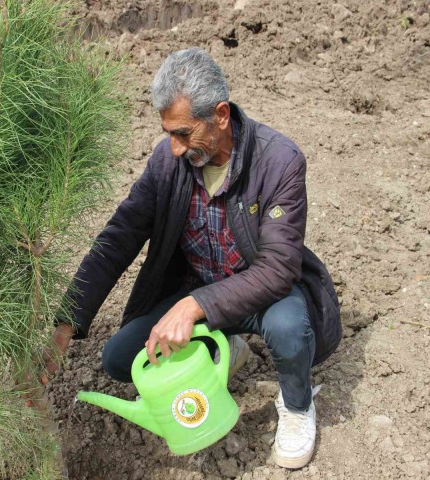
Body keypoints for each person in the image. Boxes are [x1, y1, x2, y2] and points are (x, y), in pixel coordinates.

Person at [48, 48, 341, 469]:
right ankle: (228, 350)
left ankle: (297, 407)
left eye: (183, 133)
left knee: (290, 327)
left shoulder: (279, 161)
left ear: (220, 115)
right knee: (120, 360)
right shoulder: (167, 164)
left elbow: (278, 270)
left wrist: (195, 306)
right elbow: (118, 239)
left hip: (260, 295)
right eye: (168, 132)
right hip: (197, 286)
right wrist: (67, 321)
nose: (174, 147)